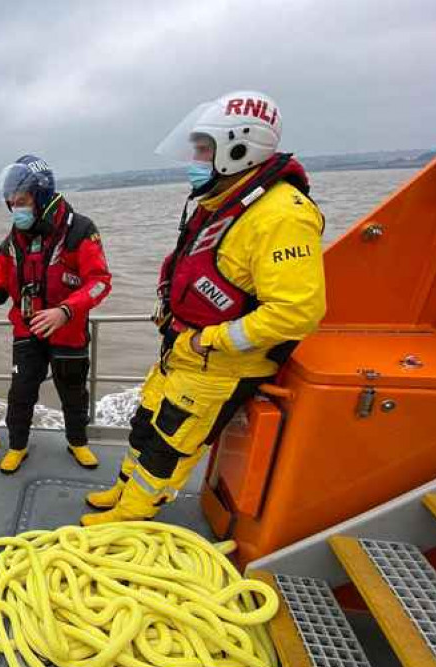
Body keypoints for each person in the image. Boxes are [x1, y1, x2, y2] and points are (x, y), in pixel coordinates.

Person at [82, 90, 326, 525]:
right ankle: (122, 491)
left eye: (203, 149)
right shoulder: (226, 202)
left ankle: (135, 513)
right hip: (183, 351)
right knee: (145, 424)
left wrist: (209, 340)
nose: (195, 159)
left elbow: (297, 312)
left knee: (170, 444)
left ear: (238, 148)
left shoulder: (282, 216)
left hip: (218, 363)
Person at [0, 155, 112, 474]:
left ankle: (78, 443)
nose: (16, 209)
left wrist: (65, 311)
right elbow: (0, 282)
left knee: (73, 394)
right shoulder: (12, 241)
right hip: (27, 332)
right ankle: (17, 446)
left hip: (68, 331)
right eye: (11, 203)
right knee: (20, 395)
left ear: (42, 195)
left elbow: (100, 282)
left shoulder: (81, 230)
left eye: (21, 201)